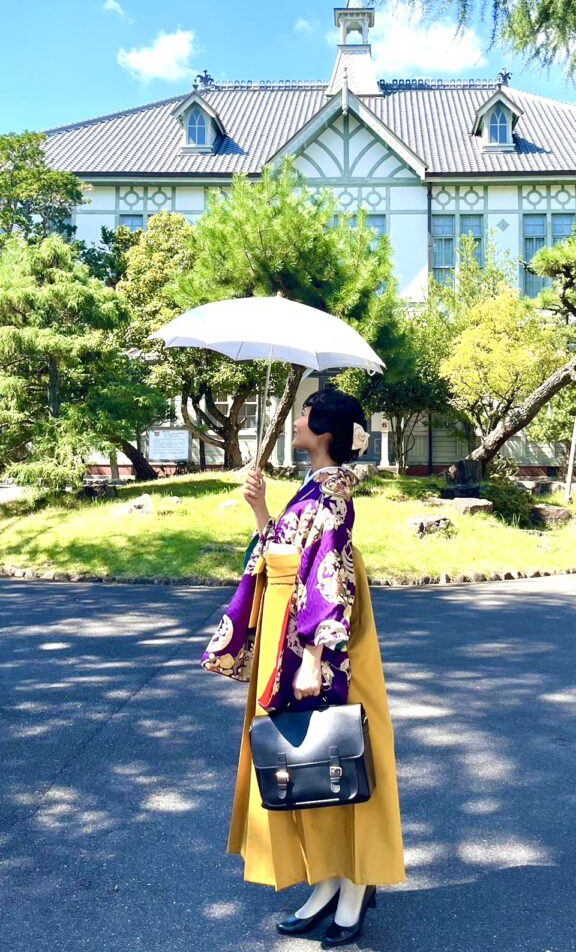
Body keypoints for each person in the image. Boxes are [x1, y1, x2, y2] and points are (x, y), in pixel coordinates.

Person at [201, 388, 405, 946]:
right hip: (291, 634)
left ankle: (355, 881)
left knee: (341, 754)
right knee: (314, 757)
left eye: (305, 415)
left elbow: (329, 576)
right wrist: (260, 508)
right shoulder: (315, 485)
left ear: (324, 431)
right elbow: (284, 549)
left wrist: (313, 657)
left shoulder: (333, 493)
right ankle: (330, 879)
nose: (296, 421)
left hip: (319, 643)